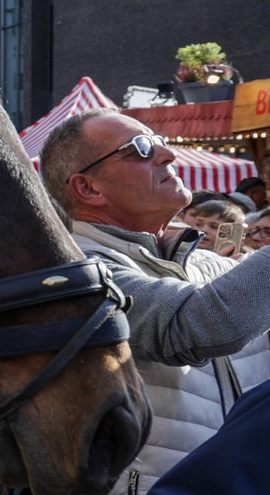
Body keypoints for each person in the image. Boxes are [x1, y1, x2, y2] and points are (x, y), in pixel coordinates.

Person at [40, 108, 270, 494]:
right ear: (89, 188)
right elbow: (198, 326)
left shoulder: (208, 262)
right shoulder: (72, 269)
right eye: (141, 148)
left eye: (161, 142)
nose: (168, 155)